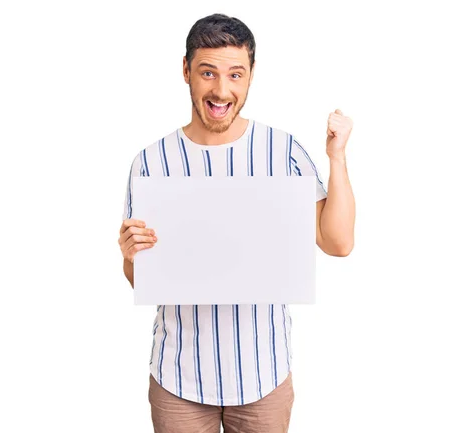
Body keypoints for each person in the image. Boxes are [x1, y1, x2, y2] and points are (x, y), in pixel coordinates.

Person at [117, 13, 355, 433]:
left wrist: (336, 157)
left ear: (251, 76)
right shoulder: (152, 162)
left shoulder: (280, 151)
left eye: (235, 74)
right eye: (207, 72)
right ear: (186, 70)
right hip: (179, 378)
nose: (221, 90)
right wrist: (131, 255)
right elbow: (141, 277)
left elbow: (337, 242)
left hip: (263, 374)